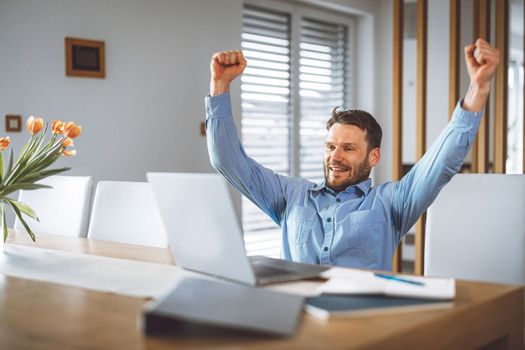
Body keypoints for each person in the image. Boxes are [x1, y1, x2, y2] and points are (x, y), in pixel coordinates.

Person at [205, 39, 500, 271]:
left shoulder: (390, 203)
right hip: (297, 320)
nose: (335, 157)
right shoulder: (291, 195)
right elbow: (227, 161)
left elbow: (441, 162)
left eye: (348, 148)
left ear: (373, 157)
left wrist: (478, 88)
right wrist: (220, 85)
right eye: (331, 147)